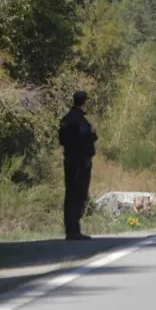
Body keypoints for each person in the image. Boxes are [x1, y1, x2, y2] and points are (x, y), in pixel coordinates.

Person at [59, 90, 97, 240]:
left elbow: (62, 140)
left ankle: (71, 230)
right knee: (78, 194)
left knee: (70, 194)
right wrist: (92, 133)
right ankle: (74, 230)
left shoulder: (66, 119)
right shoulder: (79, 121)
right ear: (84, 102)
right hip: (80, 162)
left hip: (69, 160)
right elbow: (85, 139)